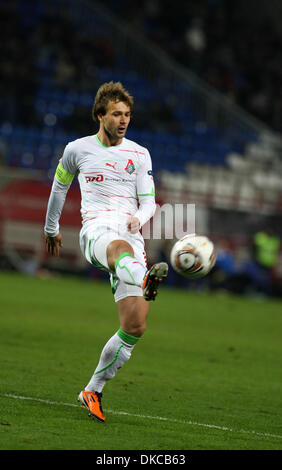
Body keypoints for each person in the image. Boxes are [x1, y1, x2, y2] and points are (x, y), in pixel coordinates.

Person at [44, 81, 168, 423]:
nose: (123, 119)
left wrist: (137, 218)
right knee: (117, 250)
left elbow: (149, 204)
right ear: (100, 115)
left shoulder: (140, 154)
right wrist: (51, 228)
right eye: (116, 114)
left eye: (127, 114)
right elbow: (59, 187)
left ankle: (92, 390)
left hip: (131, 236)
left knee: (135, 325)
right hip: (96, 231)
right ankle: (143, 277)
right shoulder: (77, 150)